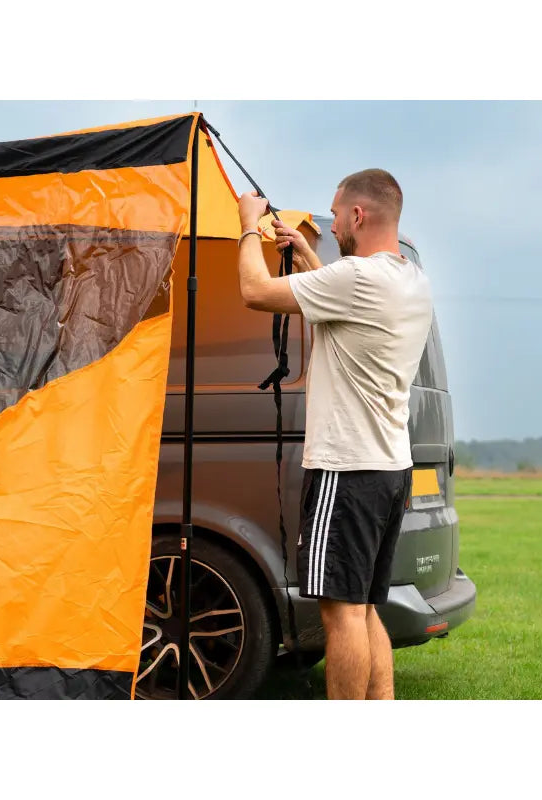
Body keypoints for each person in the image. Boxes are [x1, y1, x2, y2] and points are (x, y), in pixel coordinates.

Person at [236, 169, 433, 700]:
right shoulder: (410, 280)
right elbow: (345, 312)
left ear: (358, 215)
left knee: (339, 613)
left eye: (337, 212)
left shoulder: (358, 280)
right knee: (365, 607)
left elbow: (254, 292)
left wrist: (247, 225)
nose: (335, 220)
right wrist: (306, 257)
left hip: (346, 471)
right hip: (389, 470)